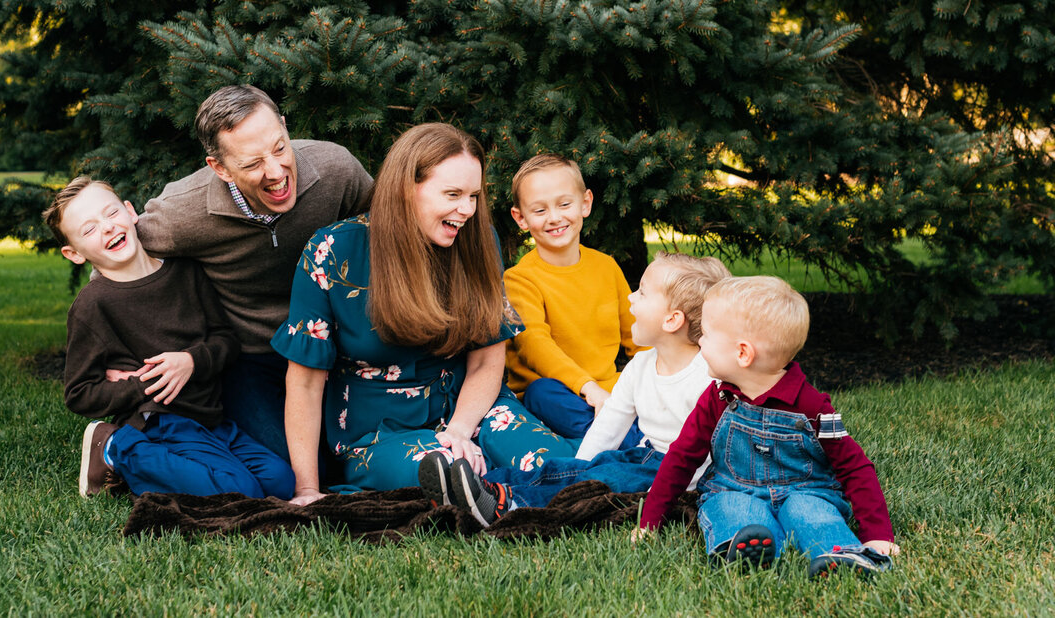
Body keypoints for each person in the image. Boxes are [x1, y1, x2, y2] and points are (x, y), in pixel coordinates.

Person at [271, 123, 576, 505]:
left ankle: (502, 495)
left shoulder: (478, 240)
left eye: (473, 196)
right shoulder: (332, 252)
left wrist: (462, 431)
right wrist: (307, 490)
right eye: (452, 194)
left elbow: (486, 359)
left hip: (471, 406)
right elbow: (304, 383)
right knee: (445, 471)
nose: (466, 210)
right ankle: (502, 496)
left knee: (557, 463)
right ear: (405, 188)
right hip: (379, 432)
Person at [137, 85, 373, 460]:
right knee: (301, 465)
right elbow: (120, 265)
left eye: (280, 148)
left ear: (283, 126)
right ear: (219, 168)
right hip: (251, 358)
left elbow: (383, 233)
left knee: (356, 453)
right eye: (252, 164)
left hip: (335, 348)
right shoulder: (180, 213)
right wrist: (116, 359)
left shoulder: (337, 170)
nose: (277, 172)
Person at [422, 252, 727, 527]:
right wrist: (581, 467)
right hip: (642, 455)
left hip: (672, 474)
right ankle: (477, 485)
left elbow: (706, 453)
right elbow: (610, 422)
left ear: (672, 320)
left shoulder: (705, 375)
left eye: (643, 293)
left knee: (605, 478)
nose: (631, 298)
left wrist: (661, 495)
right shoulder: (642, 364)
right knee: (565, 470)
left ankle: (508, 504)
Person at [636, 276, 901, 578]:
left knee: (811, 514)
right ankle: (745, 546)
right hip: (735, 488)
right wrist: (650, 521)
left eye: (706, 334)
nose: (699, 341)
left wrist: (878, 533)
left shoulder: (814, 408)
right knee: (731, 508)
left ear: (743, 353)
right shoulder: (717, 397)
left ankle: (839, 554)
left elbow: (855, 467)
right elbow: (681, 457)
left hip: (806, 491)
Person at [46, 177, 294, 500]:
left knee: (281, 483)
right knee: (239, 492)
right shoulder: (93, 306)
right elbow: (79, 393)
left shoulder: (186, 272)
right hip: (160, 424)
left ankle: (174, 468)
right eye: (89, 230)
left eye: (110, 214)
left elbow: (226, 340)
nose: (107, 228)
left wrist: (191, 361)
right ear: (74, 253)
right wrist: (141, 385)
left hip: (212, 418)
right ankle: (115, 448)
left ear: (130, 212)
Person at [502, 153, 644, 447]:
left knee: (647, 383)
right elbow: (536, 347)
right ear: (521, 218)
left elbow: (639, 336)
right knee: (542, 393)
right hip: (559, 396)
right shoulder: (520, 279)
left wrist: (663, 377)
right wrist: (588, 388)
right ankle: (627, 441)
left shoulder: (605, 266)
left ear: (585, 203)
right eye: (539, 210)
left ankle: (615, 437)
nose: (554, 217)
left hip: (610, 390)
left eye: (564, 204)